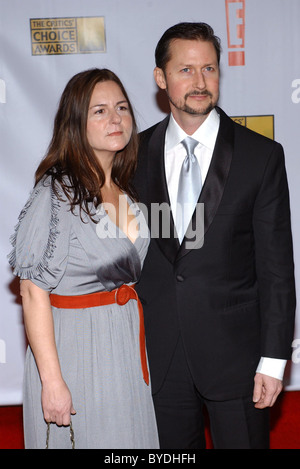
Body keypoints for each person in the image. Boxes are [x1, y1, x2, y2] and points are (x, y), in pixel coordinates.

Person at [134, 22, 296, 449]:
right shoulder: (131, 157)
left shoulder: (261, 157)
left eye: (209, 69)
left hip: (237, 359)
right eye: (185, 70)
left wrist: (275, 360)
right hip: (159, 355)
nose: (200, 82)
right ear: (160, 78)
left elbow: (278, 268)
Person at [8, 68, 159, 449]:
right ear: (75, 123)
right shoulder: (55, 192)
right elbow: (32, 290)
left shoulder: (126, 189)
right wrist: (52, 381)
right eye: (100, 110)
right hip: (76, 351)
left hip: (124, 346)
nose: (116, 118)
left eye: (122, 108)